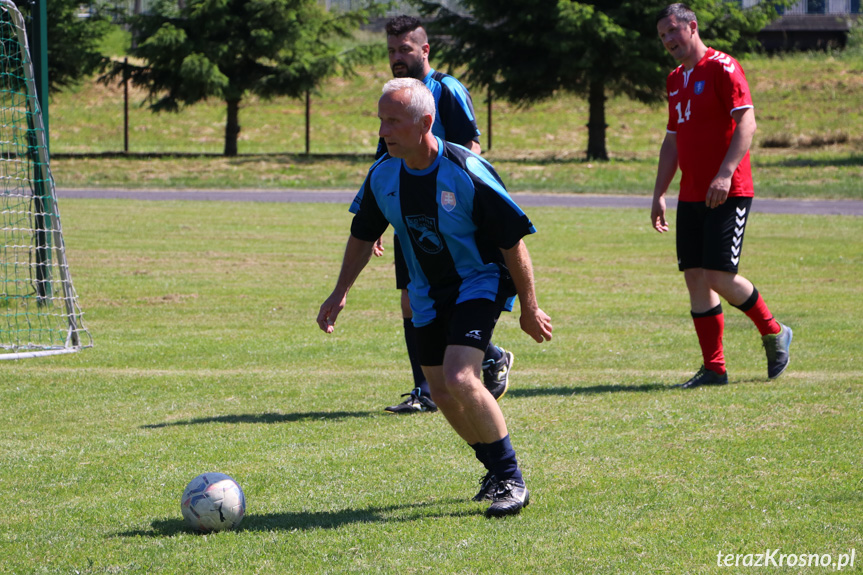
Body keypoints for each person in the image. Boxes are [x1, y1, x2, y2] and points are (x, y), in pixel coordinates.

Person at [318, 78, 552, 517]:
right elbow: (362, 234)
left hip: (479, 280)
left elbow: (513, 241)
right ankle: (494, 471)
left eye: (393, 121)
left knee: (460, 376)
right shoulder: (383, 174)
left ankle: (512, 479)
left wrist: (529, 306)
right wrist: (341, 291)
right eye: (380, 120)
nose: (383, 131)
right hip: (426, 290)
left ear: (425, 122)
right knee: (440, 390)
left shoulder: (466, 170)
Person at [352, 15, 514, 414]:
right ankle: (425, 388)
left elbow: (470, 147)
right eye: (391, 50)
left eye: (404, 49)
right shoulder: (396, 99)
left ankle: (486, 357)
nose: (396, 57)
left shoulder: (447, 89)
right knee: (412, 299)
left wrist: (453, 196)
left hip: (450, 212)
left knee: (448, 295)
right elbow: (382, 164)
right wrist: (375, 218)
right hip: (408, 210)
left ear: (424, 50)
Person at [651, 3, 792, 388]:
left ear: (692, 27)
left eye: (673, 32)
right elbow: (673, 140)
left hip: (729, 190)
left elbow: (747, 122)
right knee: (695, 277)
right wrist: (659, 192)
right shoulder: (675, 79)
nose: (668, 41)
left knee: (717, 275)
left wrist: (725, 174)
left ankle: (774, 330)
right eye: (662, 36)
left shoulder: (723, 67)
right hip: (692, 193)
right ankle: (714, 368)